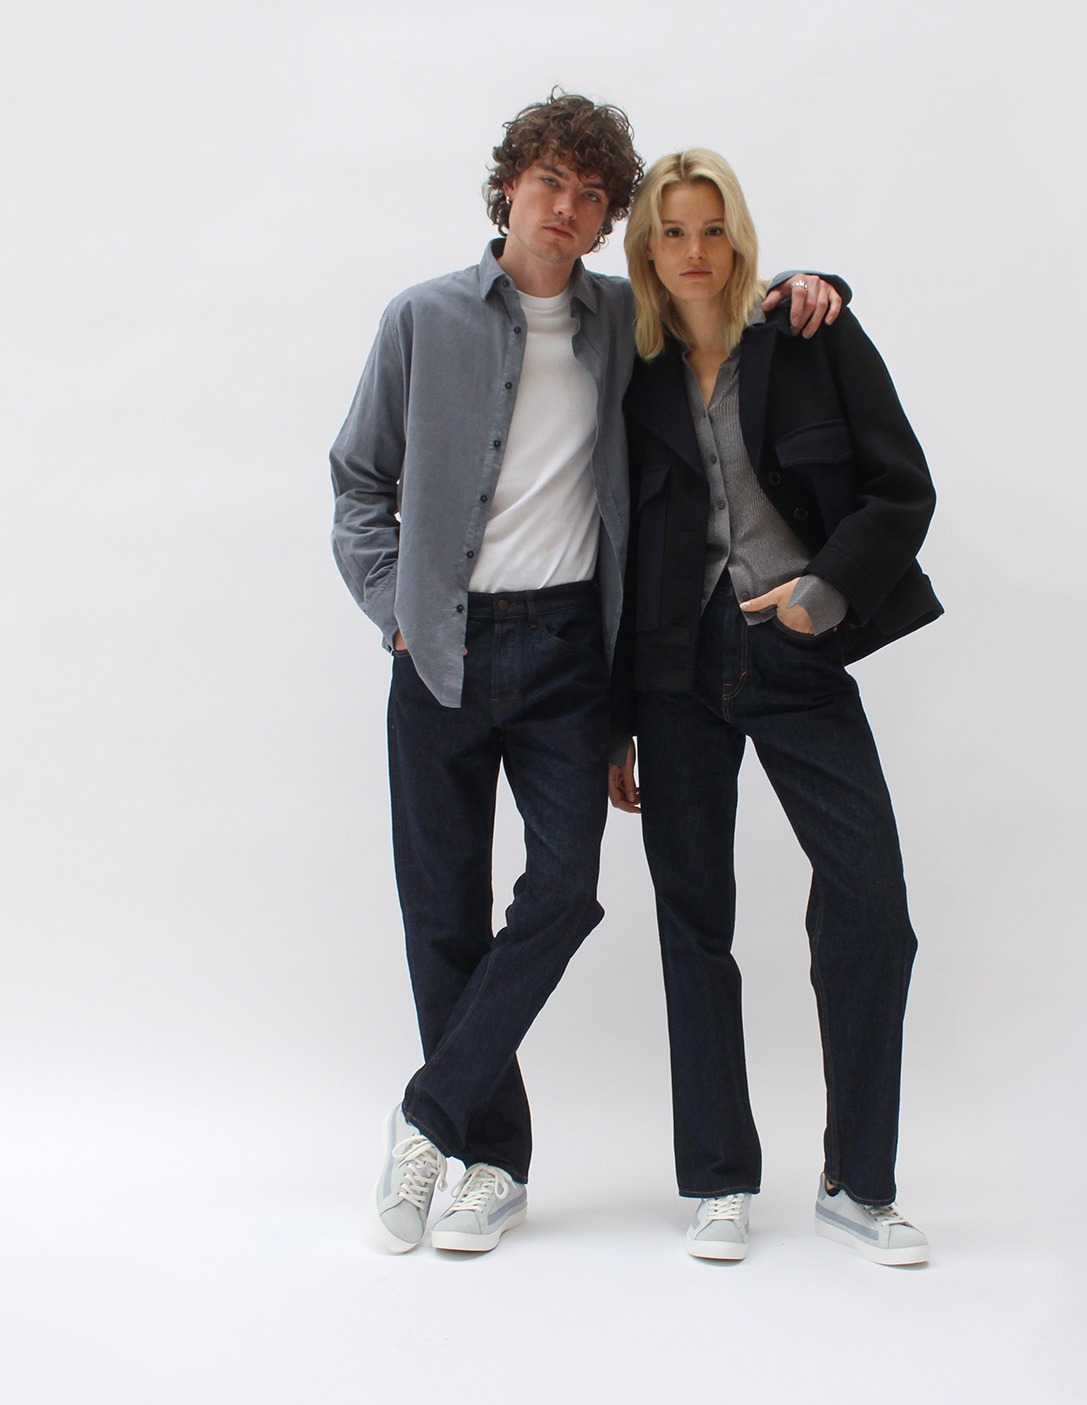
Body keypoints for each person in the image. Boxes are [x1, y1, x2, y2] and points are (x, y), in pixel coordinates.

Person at [330, 95, 844, 1256]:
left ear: (609, 216)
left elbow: (719, 298)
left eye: (590, 194)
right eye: (548, 182)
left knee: (562, 890)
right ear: (508, 184)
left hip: (567, 650)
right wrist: (393, 612)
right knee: (442, 915)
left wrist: (814, 286)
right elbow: (359, 480)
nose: (565, 207)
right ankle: (491, 1161)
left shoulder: (623, 319)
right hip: (440, 652)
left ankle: (425, 1113)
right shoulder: (421, 318)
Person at [608, 149, 942, 1265]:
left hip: (792, 649)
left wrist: (822, 592)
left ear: (737, 234)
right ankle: (717, 1176)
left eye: (711, 228)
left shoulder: (808, 335)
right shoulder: (632, 369)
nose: (693, 251)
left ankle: (858, 1181)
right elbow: (616, 548)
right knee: (693, 917)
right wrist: (616, 717)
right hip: (672, 668)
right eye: (671, 231)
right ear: (645, 248)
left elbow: (902, 485)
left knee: (871, 906)